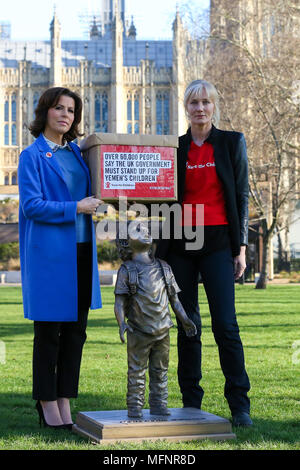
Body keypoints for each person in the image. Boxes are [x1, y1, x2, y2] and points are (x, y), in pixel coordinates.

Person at [155, 79, 252, 427]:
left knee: (226, 325)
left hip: (217, 243)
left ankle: (240, 405)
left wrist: (240, 248)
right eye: (193, 102)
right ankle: (191, 402)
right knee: (188, 325)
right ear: (186, 107)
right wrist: (161, 252)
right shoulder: (175, 148)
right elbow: (163, 199)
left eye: (206, 102)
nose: (200, 108)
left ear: (214, 107)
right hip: (180, 244)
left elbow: (240, 196)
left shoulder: (231, 142)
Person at [18, 87, 102, 429]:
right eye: (59, 108)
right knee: (49, 333)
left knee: (76, 332)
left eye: (71, 110)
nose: (66, 115)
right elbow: (32, 206)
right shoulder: (32, 156)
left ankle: (66, 398)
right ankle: (46, 401)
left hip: (82, 251)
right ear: (45, 112)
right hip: (51, 255)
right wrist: (76, 207)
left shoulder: (77, 154)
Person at [114, 225, 197, 419]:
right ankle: (134, 406)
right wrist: (121, 323)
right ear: (126, 242)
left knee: (160, 371)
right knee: (136, 372)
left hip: (163, 330)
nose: (145, 232)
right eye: (137, 230)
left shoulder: (164, 267)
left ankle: (159, 404)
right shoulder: (127, 270)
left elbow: (174, 300)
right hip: (138, 330)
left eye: (146, 230)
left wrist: (185, 320)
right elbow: (119, 302)